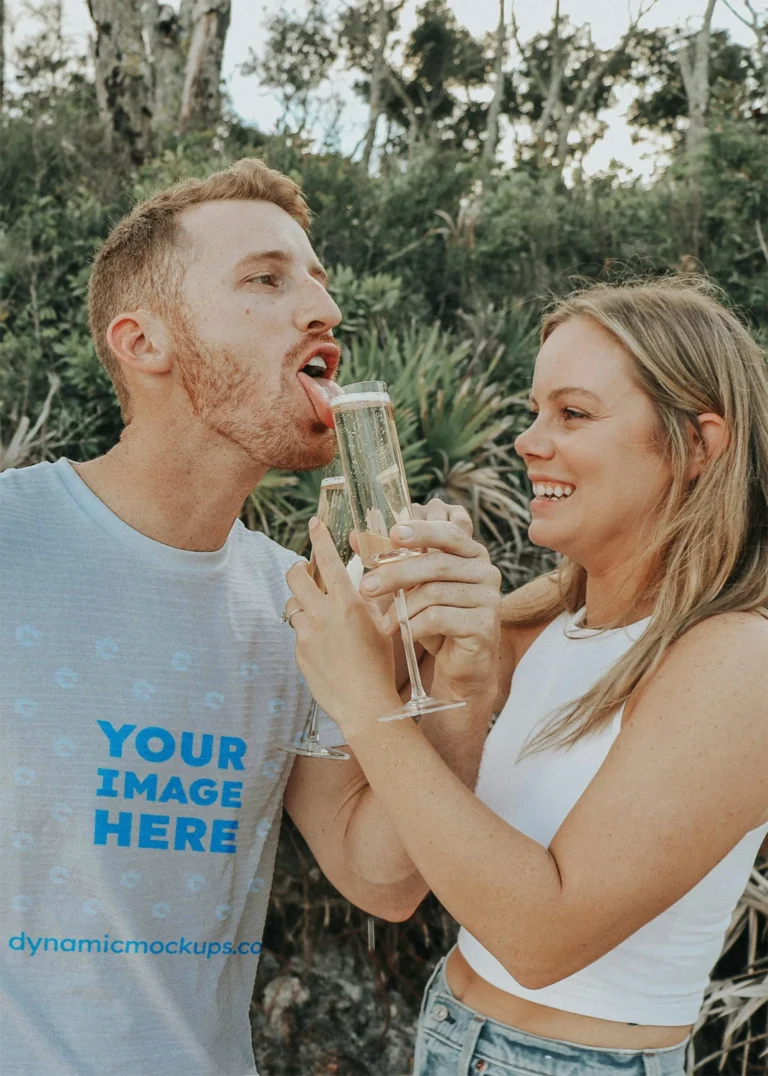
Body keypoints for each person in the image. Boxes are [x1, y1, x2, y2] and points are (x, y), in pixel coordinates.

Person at [0, 158, 499, 1076]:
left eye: (317, 281)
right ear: (143, 341)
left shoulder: (298, 604)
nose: (323, 310)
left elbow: (381, 878)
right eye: (267, 280)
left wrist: (465, 680)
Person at [285, 278, 768, 1076]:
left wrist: (369, 703)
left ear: (699, 445)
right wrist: (437, 671)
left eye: (572, 414)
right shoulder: (542, 617)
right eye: (536, 410)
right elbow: (379, 875)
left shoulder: (738, 658)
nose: (529, 441)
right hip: (449, 1029)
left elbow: (542, 937)